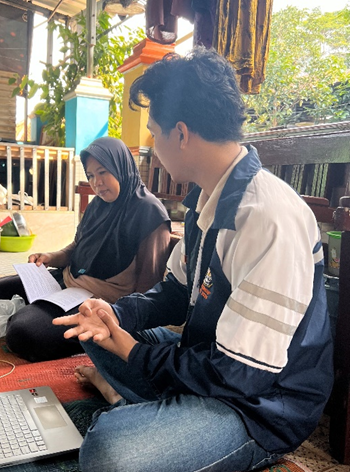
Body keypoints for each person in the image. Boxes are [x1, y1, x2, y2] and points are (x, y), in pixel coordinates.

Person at [53, 47, 334, 472]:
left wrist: (132, 352)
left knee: (109, 455)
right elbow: (173, 292)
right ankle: (155, 411)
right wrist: (115, 314)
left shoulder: (266, 219)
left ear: (180, 134)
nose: (149, 144)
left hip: (261, 405)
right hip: (207, 357)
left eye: (152, 132)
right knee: (91, 328)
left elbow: (241, 375)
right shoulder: (207, 198)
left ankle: (144, 413)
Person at [0, 136, 171, 362]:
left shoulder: (149, 213)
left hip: (98, 300)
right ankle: (37, 309)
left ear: (121, 166)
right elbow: (77, 248)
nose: (97, 182)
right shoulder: (98, 205)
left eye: (103, 172)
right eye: (91, 175)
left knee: (23, 334)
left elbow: (148, 288)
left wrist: (119, 321)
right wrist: (50, 257)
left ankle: (40, 317)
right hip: (67, 281)